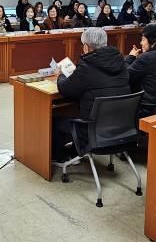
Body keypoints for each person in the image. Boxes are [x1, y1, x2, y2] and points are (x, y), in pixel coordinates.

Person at [53, 28, 130, 161]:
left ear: (86, 47)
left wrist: (60, 76)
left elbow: (65, 89)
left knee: (55, 120)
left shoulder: (87, 66)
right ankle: (74, 150)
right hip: (121, 129)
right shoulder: (120, 61)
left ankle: (61, 158)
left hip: (93, 132)